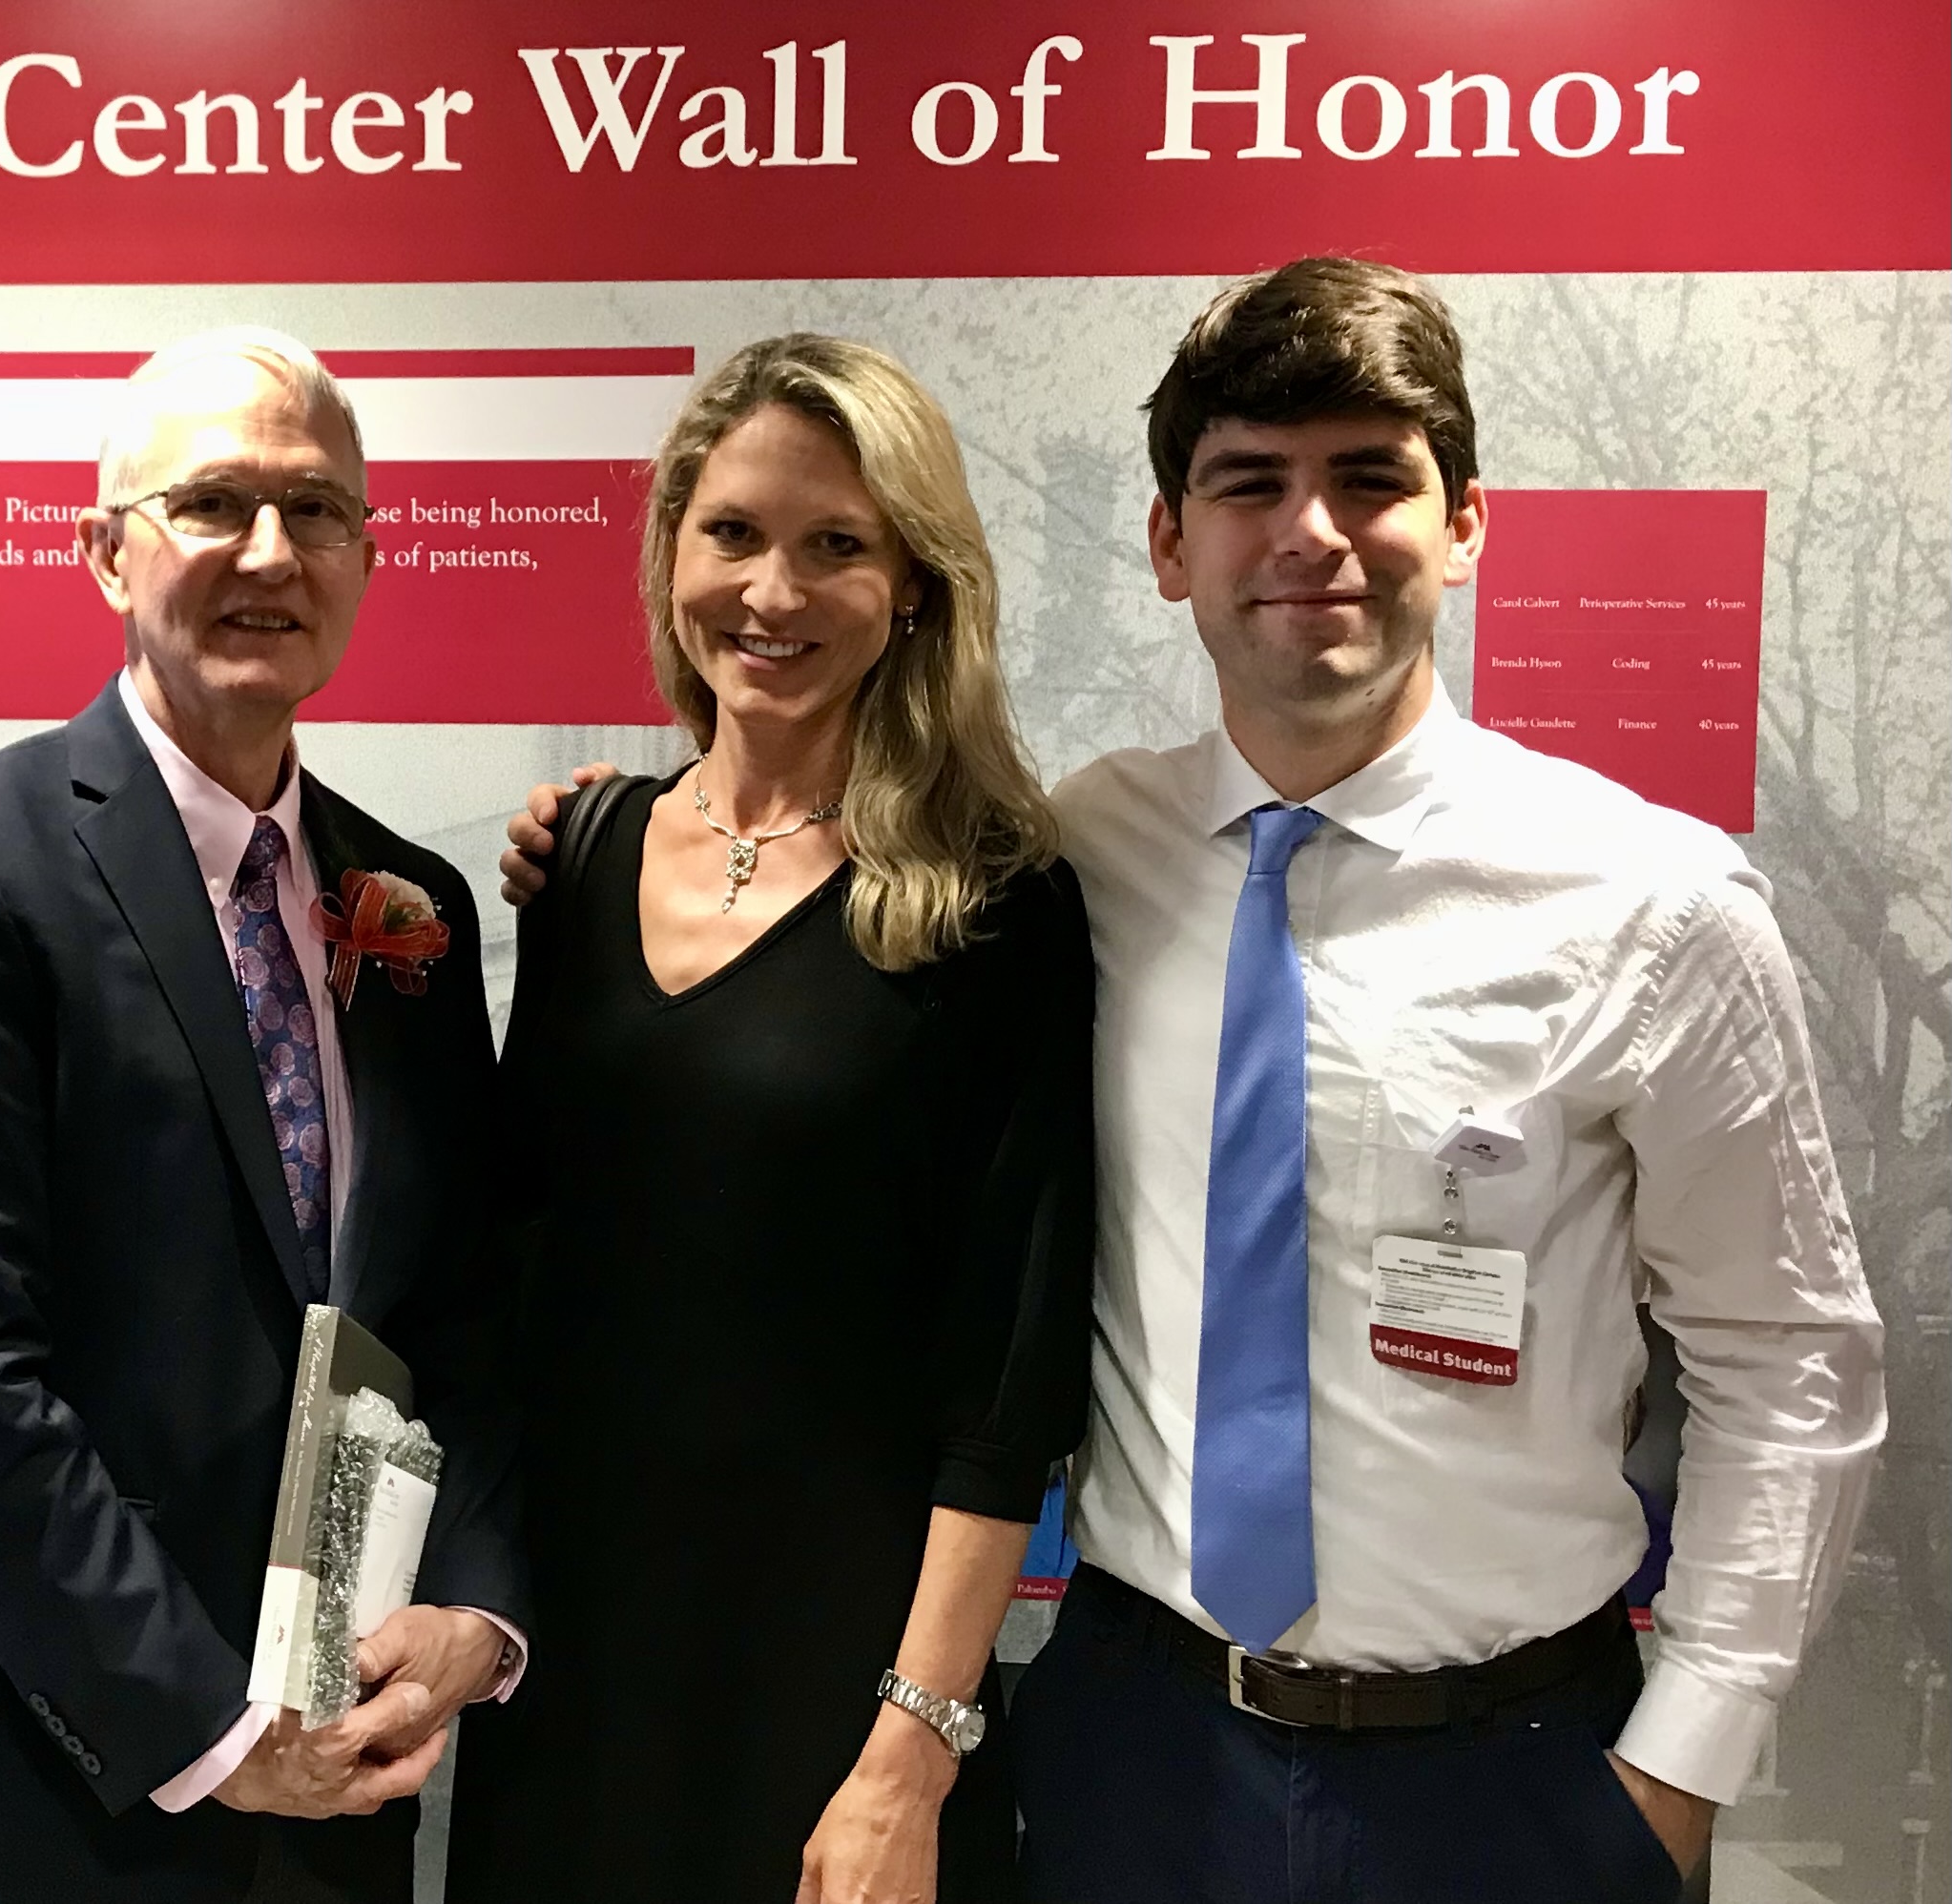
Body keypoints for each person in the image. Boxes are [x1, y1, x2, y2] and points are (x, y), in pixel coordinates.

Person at [508, 260, 1887, 1904]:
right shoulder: (1080, 856)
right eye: (1249, 483)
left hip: (1512, 1778)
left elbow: (1786, 1359)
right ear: (1171, 544)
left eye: (1371, 477)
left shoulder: (1647, 905)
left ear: (1463, 526)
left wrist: (1673, 1777)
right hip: (1138, 1751)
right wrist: (582, 828)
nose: (1309, 533)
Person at [0, 328, 528, 1904]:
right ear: (105, 553)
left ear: (368, 557)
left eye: (318, 510)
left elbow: (464, 1310)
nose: (271, 551)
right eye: (214, 503)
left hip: (336, 1767)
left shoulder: (411, 907)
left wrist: (472, 1608)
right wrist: (205, 1717)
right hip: (34, 1769)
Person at [446, 335, 1092, 1904]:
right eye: (731, 531)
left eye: (836, 546)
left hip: (835, 1695)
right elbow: (521, 1264)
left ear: (915, 587)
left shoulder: (996, 904)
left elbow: (1007, 1381)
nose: (772, 592)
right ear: (673, 543)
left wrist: (910, 1753)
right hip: (565, 1672)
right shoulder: (585, 851)